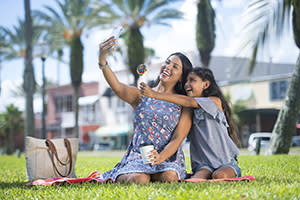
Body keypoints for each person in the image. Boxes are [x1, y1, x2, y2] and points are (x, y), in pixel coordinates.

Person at [98, 36, 193, 184]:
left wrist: (160, 157)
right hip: (138, 155)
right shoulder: (141, 94)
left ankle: (154, 174)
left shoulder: (183, 103)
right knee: (139, 179)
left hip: (168, 157)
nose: (168, 67)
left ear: (181, 78)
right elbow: (118, 87)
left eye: (175, 67)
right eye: (167, 62)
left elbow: (178, 138)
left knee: (169, 177)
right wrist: (103, 61)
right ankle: (136, 173)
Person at [140, 67, 242, 179]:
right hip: (204, 165)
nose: (187, 84)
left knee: (219, 175)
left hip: (225, 161)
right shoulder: (188, 111)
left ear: (206, 84)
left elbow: (189, 101)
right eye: (186, 81)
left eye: (192, 80)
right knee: (195, 180)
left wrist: (154, 94)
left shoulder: (214, 101)